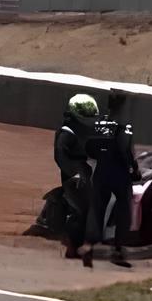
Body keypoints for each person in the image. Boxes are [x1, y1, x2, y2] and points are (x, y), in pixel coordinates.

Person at [83, 94, 141, 269]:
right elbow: (125, 150)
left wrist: (102, 157)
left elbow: (89, 147)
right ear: (123, 105)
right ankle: (117, 252)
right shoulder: (124, 125)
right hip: (119, 173)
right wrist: (133, 168)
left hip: (101, 171)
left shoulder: (100, 123)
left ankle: (88, 249)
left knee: (97, 211)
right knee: (124, 211)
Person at [54, 94, 98, 260]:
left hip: (85, 175)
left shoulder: (80, 131)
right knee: (82, 211)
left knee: (89, 210)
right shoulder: (67, 133)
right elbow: (60, 156)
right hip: (73, 179)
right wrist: (75, 173)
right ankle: (73, 248)